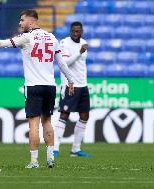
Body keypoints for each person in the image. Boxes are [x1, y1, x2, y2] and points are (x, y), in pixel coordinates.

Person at [0, 9, 74, 168]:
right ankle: (50, 158)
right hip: (50, 86)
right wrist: (70, 81)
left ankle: (34, 161)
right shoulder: (52, 37)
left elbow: (0, 44)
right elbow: (61, 63)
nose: (20, 23)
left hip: (33, 86)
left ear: (32, 21)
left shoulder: (27, 37)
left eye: (22, 20)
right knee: (47, 122)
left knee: (33, 124)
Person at [53, 21, 92, 157]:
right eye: (74, 31)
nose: (76, 33)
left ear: (82, 31)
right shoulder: (64, 43)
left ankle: (75, 149)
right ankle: (55, 148)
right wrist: (79, 52)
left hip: (83, 85)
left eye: (78, 31)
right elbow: (65, 63)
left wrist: (81, 51)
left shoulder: (84, 42)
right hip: (70, 85)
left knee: (85, 115)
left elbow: (82, 65)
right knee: (64, 114)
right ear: (70, 31)